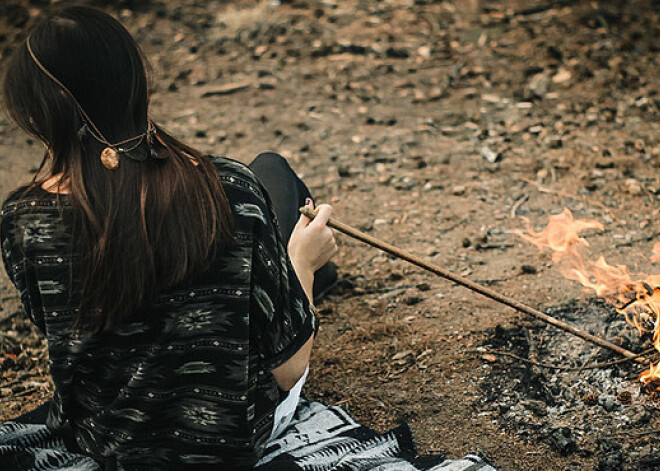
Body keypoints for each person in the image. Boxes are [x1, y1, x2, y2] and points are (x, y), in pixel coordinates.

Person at [0, 6, 337, 469]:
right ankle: (310, 271)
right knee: (273, 172)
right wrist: (302, 261)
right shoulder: (232, 189)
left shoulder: (24, 219)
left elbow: (64, 337)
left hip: (102, 441)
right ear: (136, 84)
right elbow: (291, 368)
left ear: (35, 115)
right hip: (234, 441)